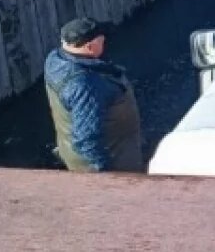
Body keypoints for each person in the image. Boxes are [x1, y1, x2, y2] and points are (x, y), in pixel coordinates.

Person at [44, 18, 143, 173]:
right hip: (113, 160)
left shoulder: (54, 59)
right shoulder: (86, 86)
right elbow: (86, 139)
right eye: (102, 40)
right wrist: (106, 172)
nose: (105, 41)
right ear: (90, 47)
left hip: (68, 147)